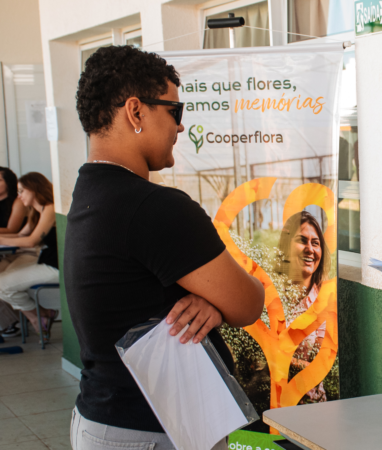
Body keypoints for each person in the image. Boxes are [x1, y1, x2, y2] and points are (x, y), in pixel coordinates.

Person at [66, 46, 264, 450]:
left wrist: (211, 303)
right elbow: (248, 304)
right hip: (153, 431)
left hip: (99, 419)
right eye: (175, 111)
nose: (179, 127)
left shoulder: (90, 190)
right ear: (136, 112)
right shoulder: (154, 207)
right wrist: (220, 301)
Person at [277, 211, 331, 403]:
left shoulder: (325, 301)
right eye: (302, 241)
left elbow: (321, 363)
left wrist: (282, 357)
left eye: (315, 243)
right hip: (270, 405)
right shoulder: (272, 293)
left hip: (311, 405)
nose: (310, 249)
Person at [0, 172, 59, 340]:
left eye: (21, 191)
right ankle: (41, 315)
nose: (19, 196)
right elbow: (20, 236)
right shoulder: (36, 211)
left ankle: (41, 314)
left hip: (57, 265)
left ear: (34, 189)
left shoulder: (49, 208)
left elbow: (31, 242)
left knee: (2, 284)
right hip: (47, 261)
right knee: (3, 281)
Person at [0, 167, 28, 336]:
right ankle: (8, 321)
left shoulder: (17, 201)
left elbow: (13, 229)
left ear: (8, 182)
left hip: (16, 252)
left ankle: (9, 323)